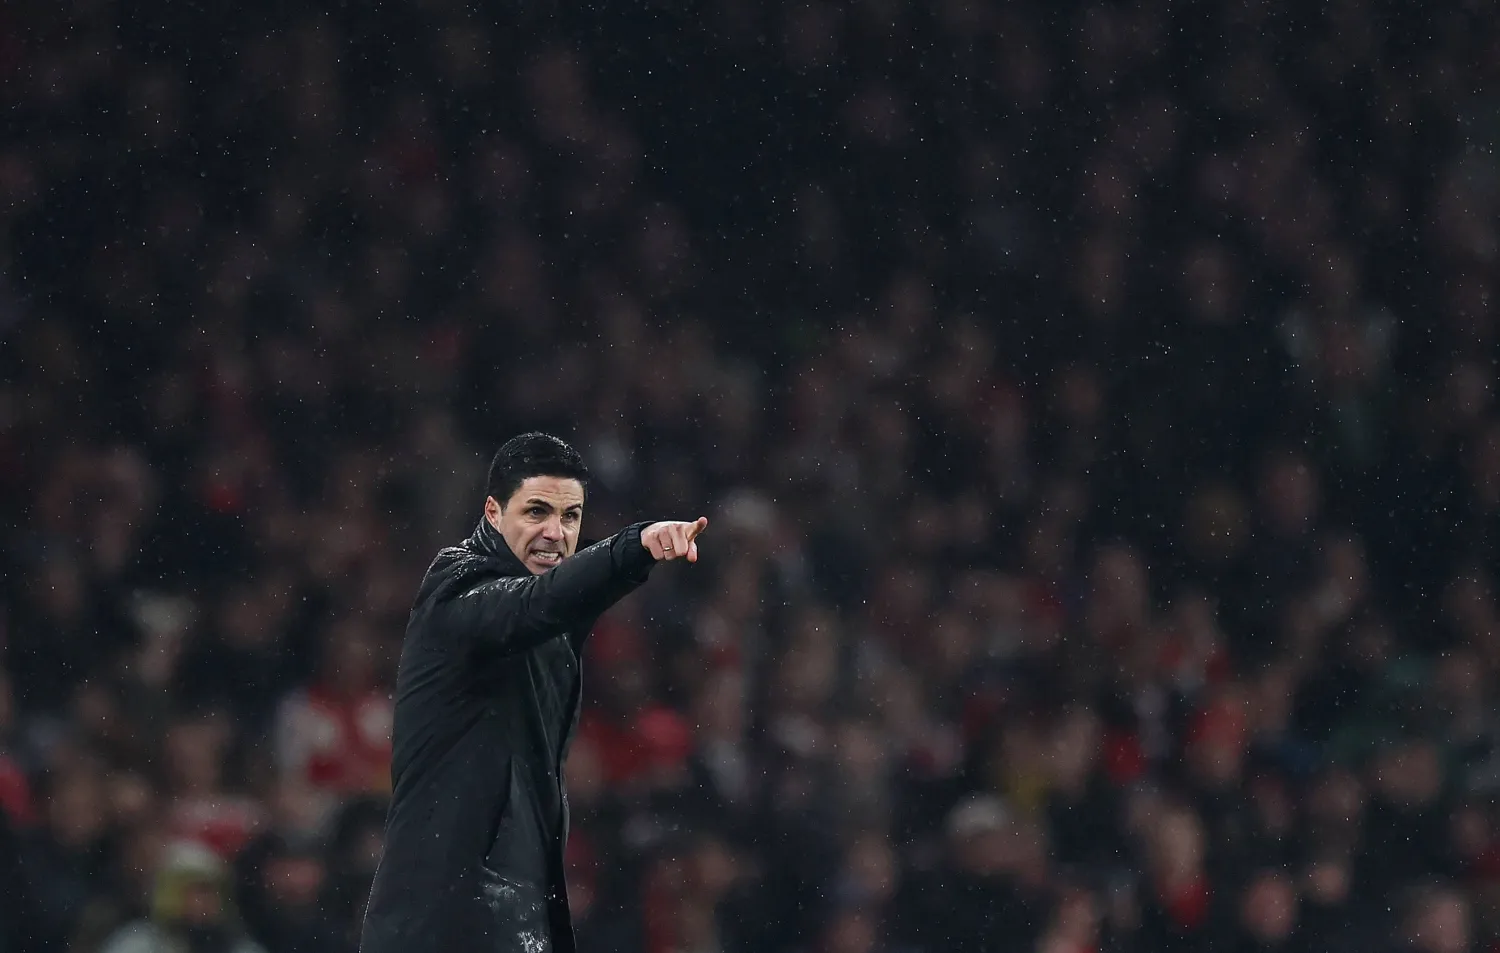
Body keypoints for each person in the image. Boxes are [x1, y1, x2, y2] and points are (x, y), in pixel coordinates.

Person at [358, 433, 709, 953]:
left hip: (508, 906)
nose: (556, 533)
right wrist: (632, 544)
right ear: (493, 513)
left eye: (571, 517)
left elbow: (566, 592)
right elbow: (533, 605)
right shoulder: (456, 585)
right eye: (537, 511)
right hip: (441, 916)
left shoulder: (551, 607)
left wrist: (635, 555)